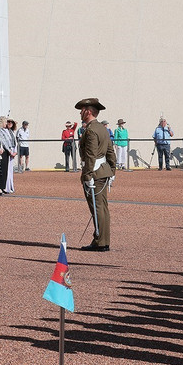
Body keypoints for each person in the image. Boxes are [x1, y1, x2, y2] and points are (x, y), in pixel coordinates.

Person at [76, 98, 116, 252]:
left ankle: (100, 241)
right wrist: (112, 170)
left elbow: (91, 155)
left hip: (95, 173)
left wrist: (87, 176)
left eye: (82, 110)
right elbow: (110, 151)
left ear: (88, 111)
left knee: (98, 208)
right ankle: (102, 240)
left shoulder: (92, 130)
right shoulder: (102, 129)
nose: (80, 113)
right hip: (103, 171)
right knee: (102, 208)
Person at [0, 116, 13, 194]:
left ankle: (3, 186)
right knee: (1, 169)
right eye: (5, 122)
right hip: (3, 151)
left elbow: (9, 140)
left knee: (5, 169)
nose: (6, 123)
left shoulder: (5, 130)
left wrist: (10, 149)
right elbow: (3, 140)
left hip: (7, 151)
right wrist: (9, 150)